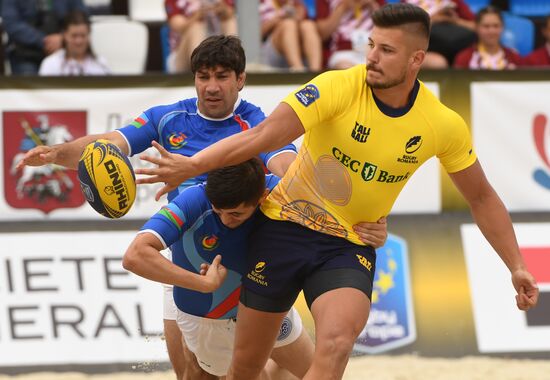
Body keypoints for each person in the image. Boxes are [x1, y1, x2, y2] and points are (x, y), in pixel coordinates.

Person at [135, 4, 540, 379]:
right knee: (242, 369)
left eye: (386, 49)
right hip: (280, 229)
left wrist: (516, 264)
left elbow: (482, 197)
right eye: (370, 45)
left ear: (417, 59)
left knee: (336, 344)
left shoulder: (441, 124)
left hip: (346, 244)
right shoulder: (336, 87)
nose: (372, 57)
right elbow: (261, 137)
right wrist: (192, 165)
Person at [16, 34, 386, 379]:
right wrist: (55, 154)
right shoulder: (168, 118)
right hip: (185, 267)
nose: (211, 86)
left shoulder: (256, 124)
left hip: (250, 272)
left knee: (288, 371)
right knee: (192, 376)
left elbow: (290, 172)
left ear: (240, 79)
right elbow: (109, 145)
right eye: (203, 76)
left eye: (222, 76)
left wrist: (365, 219)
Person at [123, 158, 314, 379]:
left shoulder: (281, 191)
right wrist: (204, 283)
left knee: (316, 372)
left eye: (235, 214)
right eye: (218, 210)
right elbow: (134, 255)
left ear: (262, 197)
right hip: (211, 319)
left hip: (267, 305)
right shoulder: (194, 199)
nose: (225, 220)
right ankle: (193, 355)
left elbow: (339, 212)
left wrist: (365, 228)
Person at [2, 0, 88, 75]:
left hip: (64, 51)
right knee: (30, 87)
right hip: (26, 54)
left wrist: (63, 37)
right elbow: (11, 23)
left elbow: (82, 16)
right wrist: (44, 41)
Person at [165, 0, 237, 73]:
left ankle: (233, 63)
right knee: (196, 28)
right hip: (181, 57)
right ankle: (202, 69)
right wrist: (196, 16)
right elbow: (178, 26)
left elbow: (233, 14)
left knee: (230, 21)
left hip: (218, 51)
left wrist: (224, 10)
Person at [404, 0, 476, 68]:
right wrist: (433, 19)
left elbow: (477, 26)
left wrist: (455, 20)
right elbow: (405, 31)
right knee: (437, 63)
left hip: (458, 48)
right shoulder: (407, 3)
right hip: (424, 49)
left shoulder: (454, 2)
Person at [315, 0, 383, 70]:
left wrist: (372, 5)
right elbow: (322, 35)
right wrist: (343, 7)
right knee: (347, 69)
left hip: (371, 50)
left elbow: (387, 30)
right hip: (342, 53)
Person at [39, 10, 110, 76]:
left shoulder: (101, 64)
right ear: (65, 35)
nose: (78, 41)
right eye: (74, 36)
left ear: (89, 35)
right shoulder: (51, 64)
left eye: (83, 35)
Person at [259, 0, 322, 71]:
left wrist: (296, 15)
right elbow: (255, 35)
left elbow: (303, 23)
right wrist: (280, 17)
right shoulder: (262, 3)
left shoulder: (297, 3)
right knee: (288, 24)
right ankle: (298, 70)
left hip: (299, 51)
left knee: (308, 26)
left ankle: (316, 72)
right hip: (271, 51)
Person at [453, 6, 522, 70]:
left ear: (503, 28)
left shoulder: (514, 57)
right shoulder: (464, 58)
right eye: (486, 26)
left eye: (496, 26)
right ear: (476, 28)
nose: (491, 31)